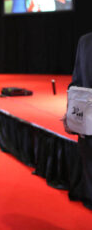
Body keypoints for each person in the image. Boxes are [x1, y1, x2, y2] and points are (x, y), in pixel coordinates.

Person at [64, 32, 92, 210]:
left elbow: (75, 83)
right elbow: (76, 84)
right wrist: (71, 116)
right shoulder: (84, 41)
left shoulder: (85, 41)